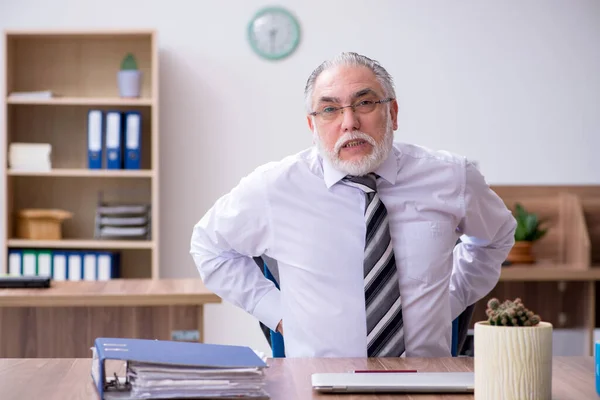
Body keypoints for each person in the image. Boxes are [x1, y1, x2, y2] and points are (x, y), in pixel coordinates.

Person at [190, 52, 516, 358]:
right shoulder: (274, 187)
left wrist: (454, 298)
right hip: (318, 383)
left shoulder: (451, 177)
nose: (349, 123)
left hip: (426, 380)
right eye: (330, 109)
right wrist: (274, 311)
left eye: (365, 103)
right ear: (312, 126)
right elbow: (209, 246)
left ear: (393, 112)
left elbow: (496, 236)